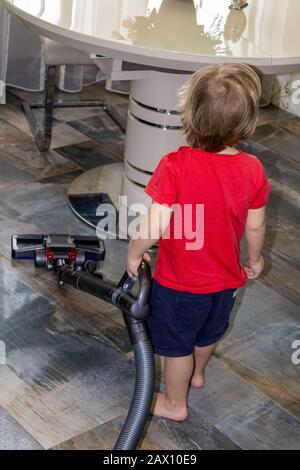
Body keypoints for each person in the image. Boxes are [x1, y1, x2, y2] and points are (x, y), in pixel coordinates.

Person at [127, 63, 271, 422]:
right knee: (208, 333)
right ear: (245, 123)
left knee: (176, 346)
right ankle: (198, 374)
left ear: (188, 115)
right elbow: (256, 226)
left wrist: (135, 251)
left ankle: (176, 403)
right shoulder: (253, 168)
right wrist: (254, 259)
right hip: (226, 281)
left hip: (180, 284)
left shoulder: (175, 166)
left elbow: (156, 223)